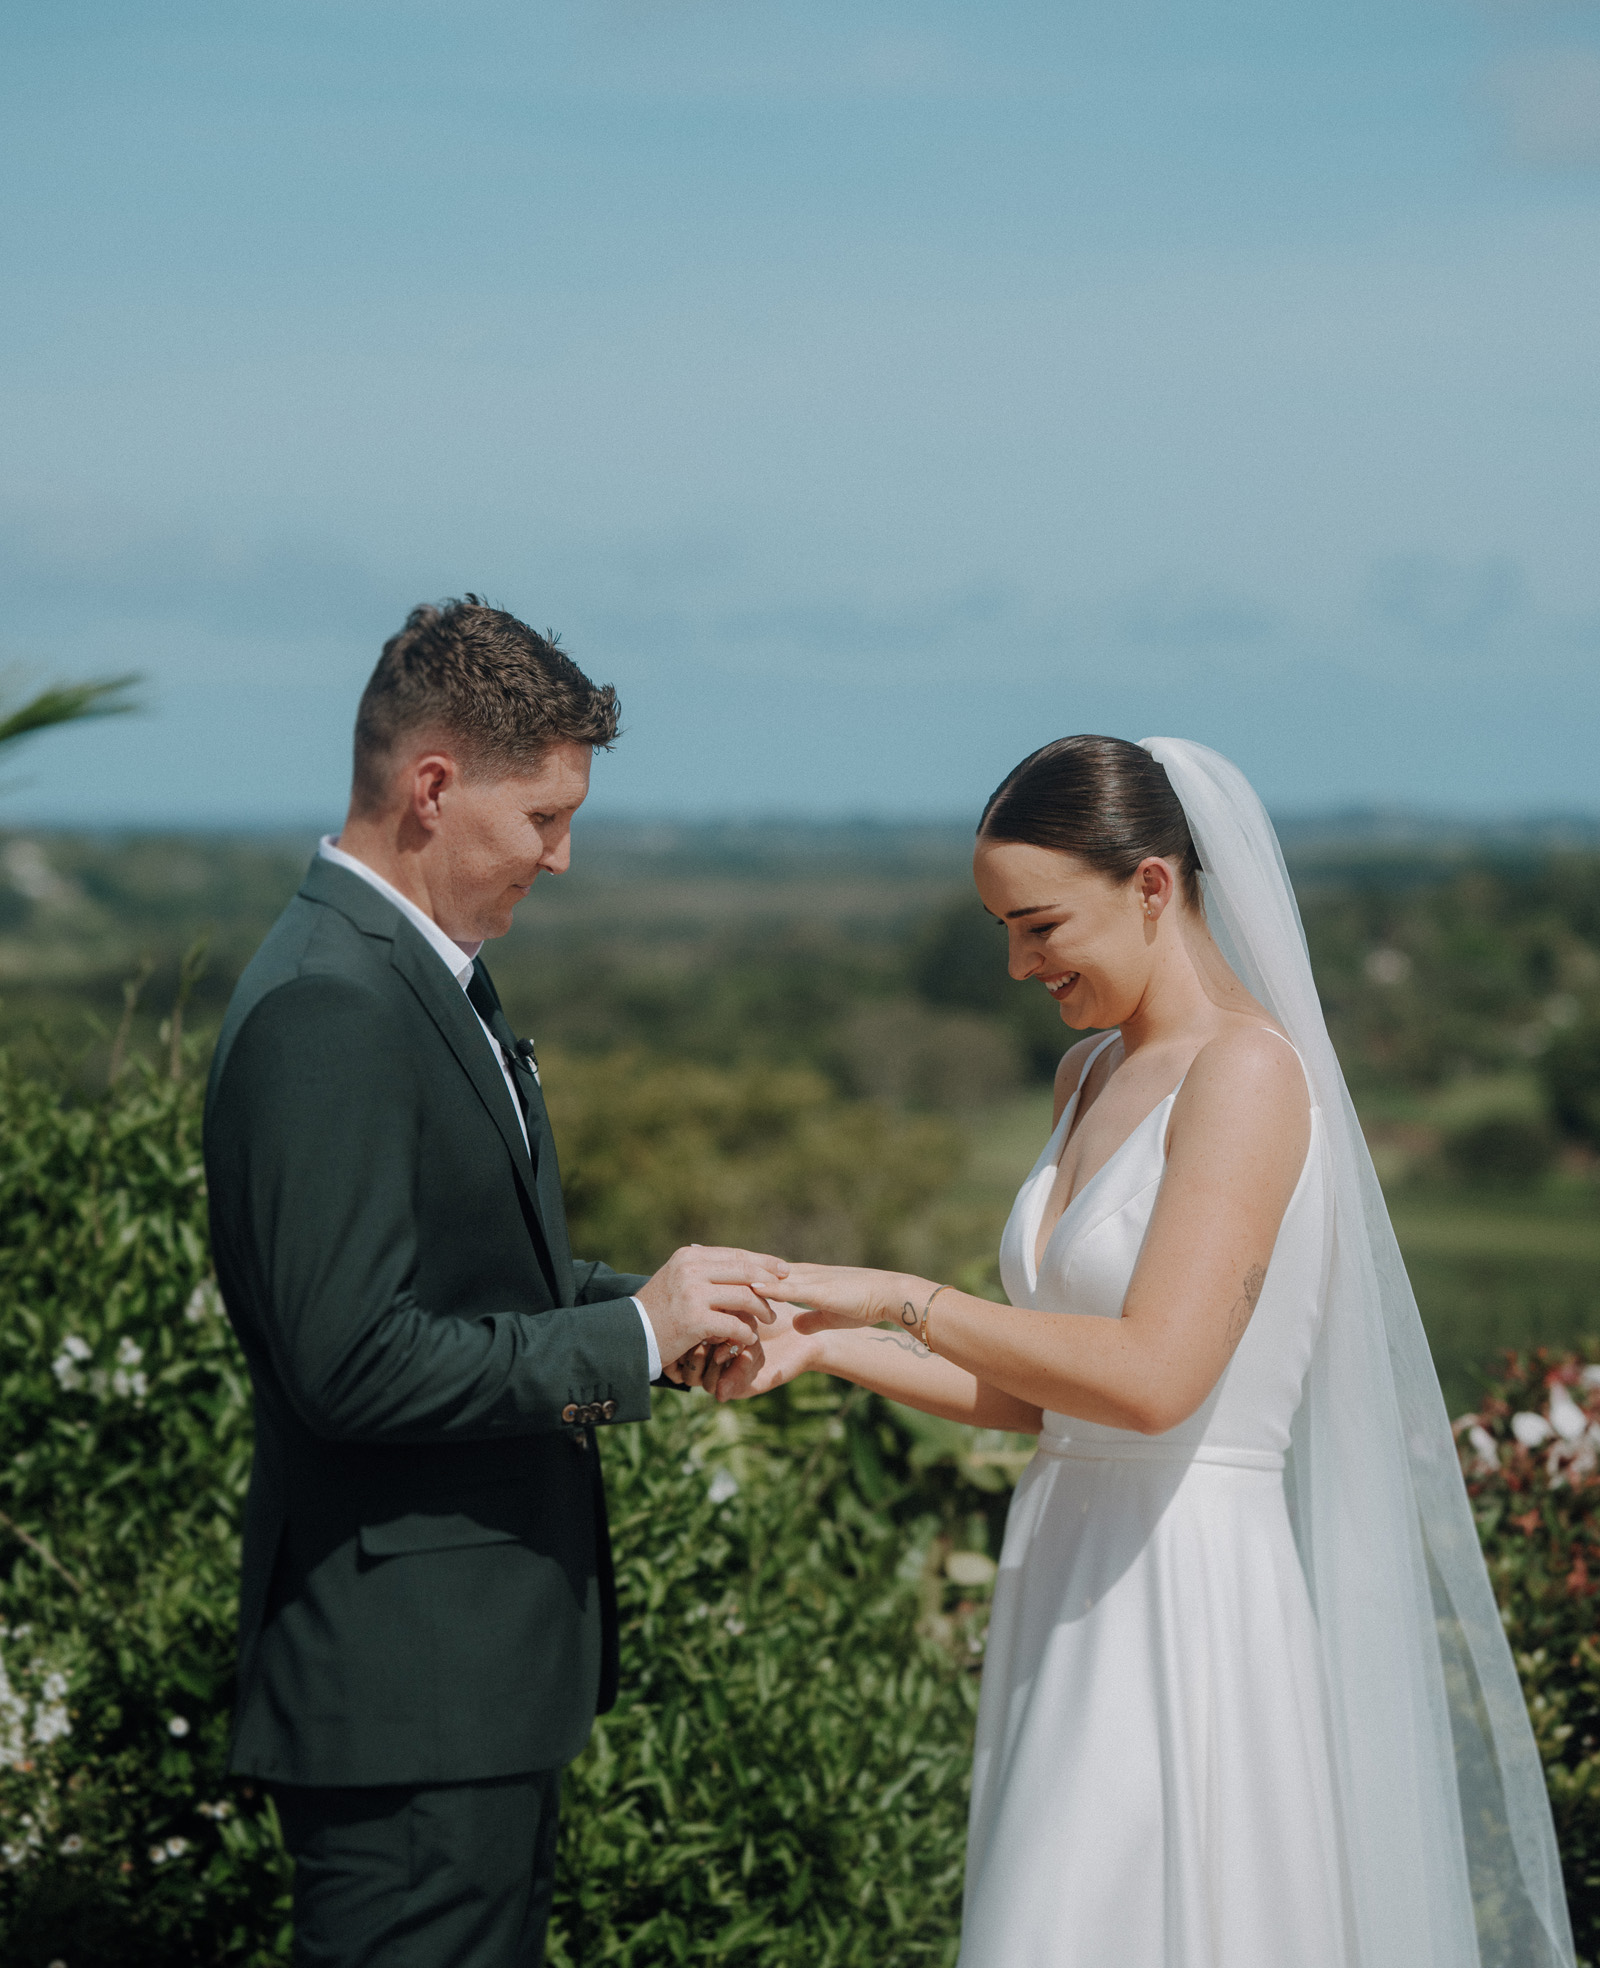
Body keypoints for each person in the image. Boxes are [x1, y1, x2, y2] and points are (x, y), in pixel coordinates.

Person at [715, 735, 1575, 1968]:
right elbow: (1044, 1396)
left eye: (1039, 924)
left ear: (1154, 887)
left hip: (1183, 1580)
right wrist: (818, 1345)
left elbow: (1157, 1381)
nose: (1018, 963)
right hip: (1067, 1564)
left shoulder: (1248, 1076)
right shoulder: (1088, 1072)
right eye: (1003, 930)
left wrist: (900, 1295)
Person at [203, 598, 784, 1968]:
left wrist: (662, 1308)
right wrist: (629, 1339)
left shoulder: (413, 974)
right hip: (407, 1697)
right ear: (433, 788)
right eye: (543, 819)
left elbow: (472, 1277)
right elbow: (351, 1361)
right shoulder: (330, 1006)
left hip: (465, 1696)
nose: (562, 858)